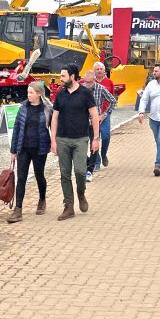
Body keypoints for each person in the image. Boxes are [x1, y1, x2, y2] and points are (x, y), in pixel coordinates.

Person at [50, 64, 100, 220]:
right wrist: (53, 140)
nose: (61, 78)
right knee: (64, 174)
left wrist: (96, 139)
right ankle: (69, 206)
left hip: (80, 139)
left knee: (79, 171)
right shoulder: (60, 94)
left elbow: (95, 115)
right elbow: (55, 117)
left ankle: (81, 193)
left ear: (72, 76)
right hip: (62, 139)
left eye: (63, 76)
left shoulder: (85, 93)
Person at [7, 82, 52, 223]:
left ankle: (42, 199)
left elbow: (54, 127)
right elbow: (16, 129)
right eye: (28, 92)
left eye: (31, 92)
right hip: (24, 148)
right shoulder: (23, 108)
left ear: (39, 94)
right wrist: (13, 150)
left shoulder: (47, 109)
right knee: (21, 178)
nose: (28, 95)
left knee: (39, 175)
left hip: (40, 148)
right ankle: (18, 209)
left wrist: (56, 144)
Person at [84, 67, 118, 181]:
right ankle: (92, 161)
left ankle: (94, 164)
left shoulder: (101, 88)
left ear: (94, 80)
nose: (87, 84)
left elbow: (113, 101)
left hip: (96, 120)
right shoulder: (81, 89)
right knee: (81, 144)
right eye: (85, 82)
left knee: (98, 140)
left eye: (89, 82)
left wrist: (104, 114)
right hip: (83, 121)